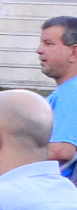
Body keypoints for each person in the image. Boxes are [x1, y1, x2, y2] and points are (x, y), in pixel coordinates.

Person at [41, 14, 77, 179]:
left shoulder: (71, 92)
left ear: (74, 52)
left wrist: (5, 155)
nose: (39, 50)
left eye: (48, 44)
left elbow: (62, 150)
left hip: (49, 190)